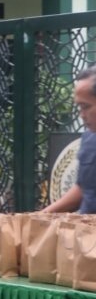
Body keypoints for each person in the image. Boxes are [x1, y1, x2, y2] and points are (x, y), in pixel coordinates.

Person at [46, 66, 96, 213]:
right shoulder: (89, 138)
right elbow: (83, 189)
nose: (81, 114)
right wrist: (39, 217)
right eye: (79, 107)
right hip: (86, 231)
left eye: (86, 106)